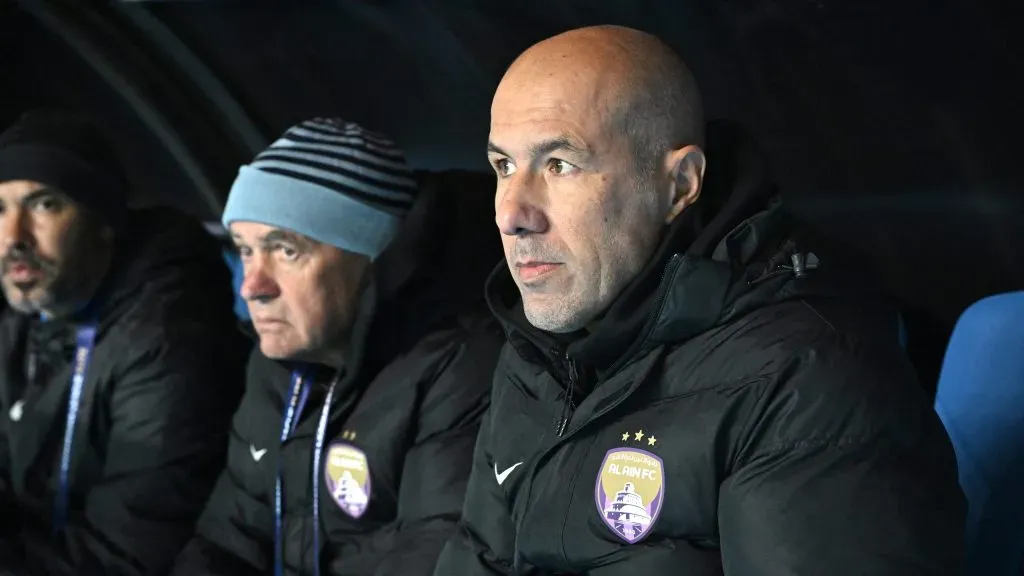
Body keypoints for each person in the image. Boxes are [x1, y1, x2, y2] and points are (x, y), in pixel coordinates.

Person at [435, 25, 966, 575]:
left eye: (559, 164)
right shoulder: (535, 353)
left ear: (680, 185)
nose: (510, 213)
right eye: (503, 166)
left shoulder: (806, 379)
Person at [171, 117, 503, 576]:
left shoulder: (460, 367)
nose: (252, 287)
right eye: (245, 250)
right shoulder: (279, 363)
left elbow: (432, 557)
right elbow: (226, 541)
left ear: (373, 258)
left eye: (286, 250)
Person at [0, 110, 247, 574]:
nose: (14, 237)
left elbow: (129, 555)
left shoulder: (169, 338)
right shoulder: (30, 318)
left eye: (44, 204)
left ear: (103, 220)